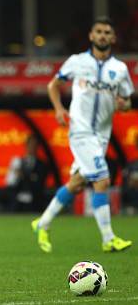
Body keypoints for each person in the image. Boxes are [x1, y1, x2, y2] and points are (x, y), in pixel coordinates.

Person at [31, 16, 134, 253]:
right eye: (98, 31)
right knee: (102, 179)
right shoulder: (77, 62)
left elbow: (127, 102)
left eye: (107, 32)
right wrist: (58, 108)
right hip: (80, 130)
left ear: (113, 38)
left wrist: (123, 104)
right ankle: (108, 238)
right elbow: (53, 85)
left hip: (101, 135)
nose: (102, 36)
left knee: (77, 183)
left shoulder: (119, 69)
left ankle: (42, 223)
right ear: (91, 35)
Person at [5, 134, 49, 212]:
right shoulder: (18, 161)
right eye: (30, 145)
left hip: (34, 201)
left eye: (34, 145)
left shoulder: (42, 164)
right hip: (17, 200)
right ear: (26, 146)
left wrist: (24, 175)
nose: (32, 147)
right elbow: (10, 183)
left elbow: (40, 183)